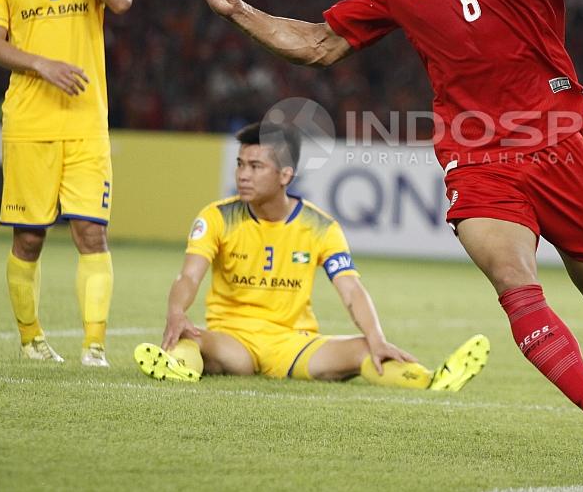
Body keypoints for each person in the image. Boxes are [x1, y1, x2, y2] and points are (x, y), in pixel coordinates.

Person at [191, 0, 583, 465]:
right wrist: (241, 10)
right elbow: (320, 45)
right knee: (514, 281)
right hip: (476, 152)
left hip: (557, 137)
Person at [134, 122, 490, 392]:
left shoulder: (320, 227)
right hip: (233, 341)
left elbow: (351, 290)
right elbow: (189, 276)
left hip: (293, 344)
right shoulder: (216, 216)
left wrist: (377, 336)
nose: (242, 174)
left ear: (285, 175)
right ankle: (177, 366)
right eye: (240, 164)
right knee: (189, 338)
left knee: (367, 350)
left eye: (255, 166)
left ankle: (431, 380)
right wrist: (177, 311)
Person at [0, 0, 133, 367]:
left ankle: (94, 346)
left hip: (87, 124)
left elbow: (123, 0)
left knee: (92, 233)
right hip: (29, 125)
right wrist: (42, 64)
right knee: (30, 237)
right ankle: (32, 339)